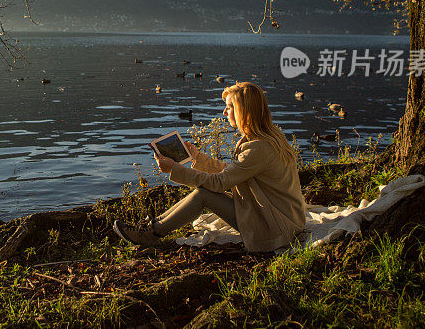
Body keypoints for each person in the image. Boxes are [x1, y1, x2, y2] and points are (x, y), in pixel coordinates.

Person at [113, 81, 306, 252]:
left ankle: (150, 234)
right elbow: (232, 173)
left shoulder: (258, 148)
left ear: (243, 110)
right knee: (205, 192)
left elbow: (219, 183)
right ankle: (150, 228)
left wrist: (174, 169)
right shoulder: (269, 137)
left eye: (229, 107)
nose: (224, 112)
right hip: (282, 219)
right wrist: (198, 158)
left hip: (275, 229)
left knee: (204, 194)